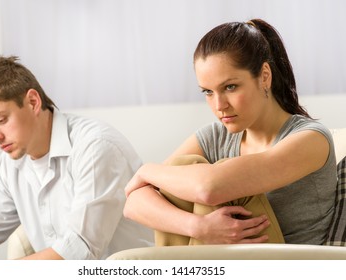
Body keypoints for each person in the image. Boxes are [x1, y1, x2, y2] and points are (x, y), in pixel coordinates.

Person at [124, 19, 337, 246]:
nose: (219, 105)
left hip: (293, 265)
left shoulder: (311, 139)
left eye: (230, 87)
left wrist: (147, 170)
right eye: (208, 92)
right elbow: (132, 203)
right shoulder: (214, 137)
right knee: (183, 166)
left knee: (216, 177)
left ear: (264, 76)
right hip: (229, 262)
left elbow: (210, 189)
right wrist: (198, 227)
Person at [0, 56, 153, 260]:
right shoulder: (10, 163)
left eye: (1, 120)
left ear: (33, 102)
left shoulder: (95, 147)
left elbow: (78, 252)